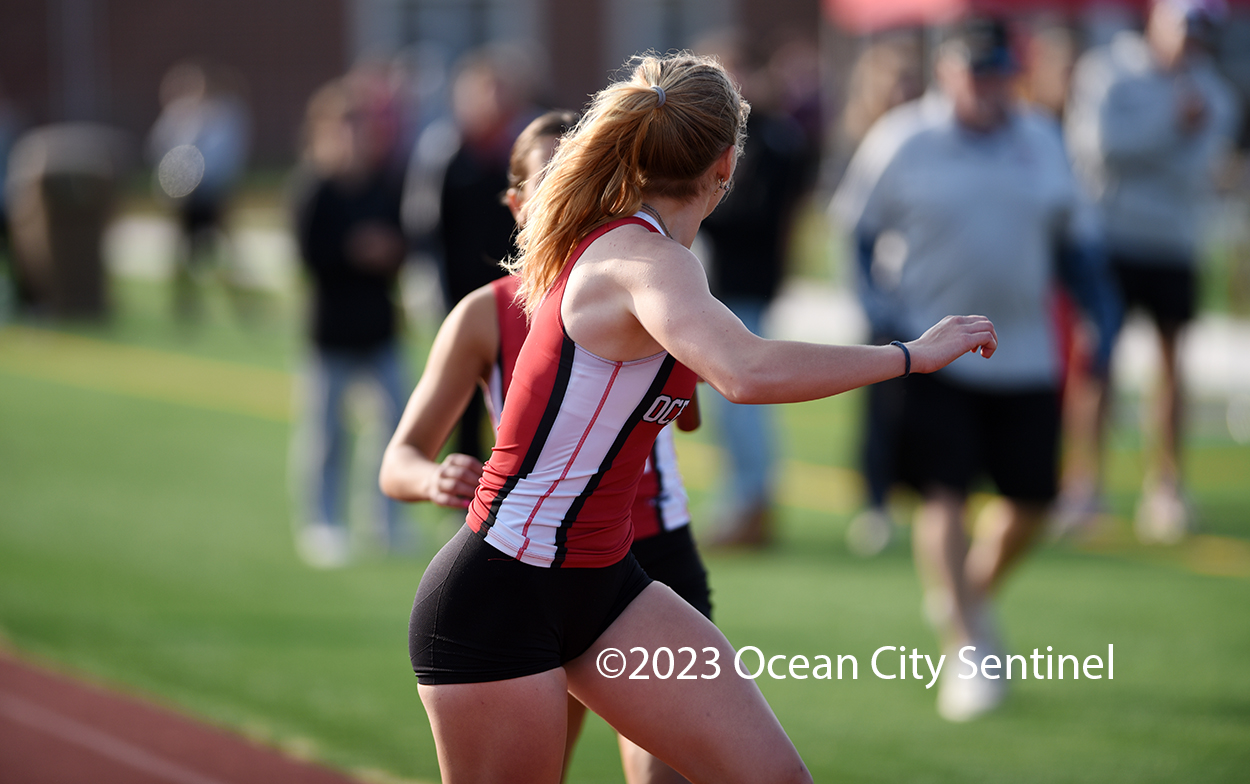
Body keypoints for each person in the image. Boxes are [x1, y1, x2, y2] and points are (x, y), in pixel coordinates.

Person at [406, 51, 996, 782]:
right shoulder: (644, 258)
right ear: (726, 165)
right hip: (500, 592)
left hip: (605, 585)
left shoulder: (652, 254)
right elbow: (745, 372)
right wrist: (910, 354)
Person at [382, 109, 706, 784]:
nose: (580, 201)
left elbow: (689, 416)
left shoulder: (651, 285)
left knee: (668, 774)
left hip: (654, 550)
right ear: (518, 201)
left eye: (596, 183)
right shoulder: (485, 313)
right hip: (540, 558)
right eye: (557, 181)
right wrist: (432, 478)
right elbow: (398, 459)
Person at [831, 17, 1117, 722]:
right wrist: (881, 316)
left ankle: (967, 593)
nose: (988, 89)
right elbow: (856, 228)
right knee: (945, 495)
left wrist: (1099, 315)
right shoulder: (904, 138)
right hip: (937, 352)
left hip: (1026, 352)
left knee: (1033, 504)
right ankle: (967, 646)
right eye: (975, 74)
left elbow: (1075, 241)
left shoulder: (1041, 140)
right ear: (948, 73)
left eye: (998, 74)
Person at [1066, 0, 1241, 543]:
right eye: (1184, 25)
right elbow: (1098, 150)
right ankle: (1084, 487)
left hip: (1175, 241)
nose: (1191, 40)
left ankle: (1165, 489)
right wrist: (1170, 128)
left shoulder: (1215, 91)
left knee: (1172, 367)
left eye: (1200, 30)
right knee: (1099, 362)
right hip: (1111, 238)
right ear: (1156, 21)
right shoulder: (1108, 72)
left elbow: (1202, 168)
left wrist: (1164, 142)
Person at [695, 33, 810, 548]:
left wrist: (694, 208)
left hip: (745, 281)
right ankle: (742, 502)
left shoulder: (770, 137)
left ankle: (752, 505)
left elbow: (757, 216)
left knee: (742, 398)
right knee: (730, 404)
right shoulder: (746, 135)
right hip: (726, 281)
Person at [289, 77, 409, 568]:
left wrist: (389, 250)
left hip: (380, 329)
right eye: (347, 128)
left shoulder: (386, 184)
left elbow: (406, 241)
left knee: (397, 427)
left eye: (363, 128)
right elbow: (307, 256)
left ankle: (385, 521)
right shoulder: (314, 189)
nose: (357, 138)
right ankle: (321, 523)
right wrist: (354, 251)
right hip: (330, 333)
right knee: (326, 434)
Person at [402, 45, 539, 464]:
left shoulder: (526, 152)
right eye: (485, 89)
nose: (495, 99)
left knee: (525, 383)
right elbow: (424, 223)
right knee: (462, 386)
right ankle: (464, 470)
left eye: (502, 89)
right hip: (460, 288)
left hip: (521, 289)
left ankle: (518, 468)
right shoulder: (446, 150)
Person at [146, 60, 250, 321]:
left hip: (213, 192)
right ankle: (185, 307)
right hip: (185, 195)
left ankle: (241, 305)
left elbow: (226, 156)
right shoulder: (179, 116)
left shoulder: (225, 115)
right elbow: (161, 149)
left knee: (224, 251)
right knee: (181, 253)